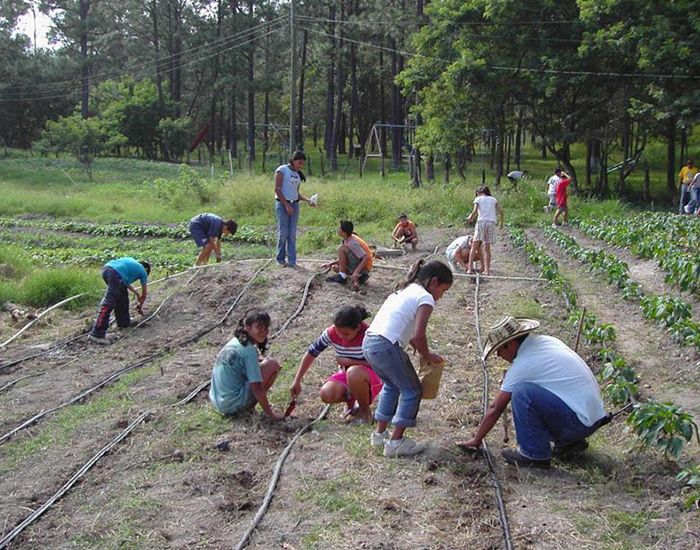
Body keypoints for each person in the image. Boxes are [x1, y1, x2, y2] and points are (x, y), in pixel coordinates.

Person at [457, 316, 608, 469]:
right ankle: (568, 442)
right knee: (536, 392)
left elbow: (496, 407)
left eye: (500, 349)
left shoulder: (524, 364)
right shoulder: (546, 341)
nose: (498, 355)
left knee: (523, 393)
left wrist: (476, 440)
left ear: (511, 344)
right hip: (592, 417)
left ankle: (534, 454)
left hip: (578, 422)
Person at [363, 260, 453, 457]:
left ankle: (379, 435)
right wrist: (427, 355)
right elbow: (418, 336)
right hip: (386, 346)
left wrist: (421, 350)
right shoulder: (425, 298)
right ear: (434, 282)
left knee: (391, 386)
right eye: (443, 291)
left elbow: (409, 334)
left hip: (369, 343)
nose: (440, 297)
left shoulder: (403, 291)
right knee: (412, 390)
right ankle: (396, 442)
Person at [290, 305, 382, 424]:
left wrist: (347, 362)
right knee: (327, 394)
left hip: (369, 376)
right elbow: (311, 353)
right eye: (339, 333)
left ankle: (365, 412)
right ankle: (352, 401)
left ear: (358, 328)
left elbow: (380, 363)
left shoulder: (369, 335)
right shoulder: (331, 332)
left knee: (353, 372)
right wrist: (297, 380)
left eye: (346, 334)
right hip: (348, 374)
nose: (341, 337)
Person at [209, 309, 284, 420]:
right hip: (233, 404)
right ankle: (247, 409)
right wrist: (270, 414)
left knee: (264, 363)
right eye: (259, 327)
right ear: (247, 327)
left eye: (266, 327)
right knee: (271, 365)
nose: (265, 331)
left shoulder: (235, 342)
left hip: (219, 403)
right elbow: (257, 387)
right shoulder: (248, 351)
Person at [89, 257, 150, 345]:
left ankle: (124, 322)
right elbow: (144, 295)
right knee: (109, 303)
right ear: (146, 269)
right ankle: (97, 333)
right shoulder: (143, 271)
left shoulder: (131, 262)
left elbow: (125, 282)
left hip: (107, 270)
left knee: (122, 297)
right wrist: (140, 306)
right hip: (115, 274)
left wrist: (136, 294)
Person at [275, 151, 315, 267]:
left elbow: (296, 193)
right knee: (283, 232)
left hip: (294, 205)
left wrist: (308, 200)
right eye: (299, 163)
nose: (301, 166)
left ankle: (292, 261)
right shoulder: (282, 170)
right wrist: (286, 205)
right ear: (293, 160)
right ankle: (280, 259)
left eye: (303, 164)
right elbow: (277, 189)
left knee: (292, 234)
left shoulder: (297, 175)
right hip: (282, 205)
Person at [324, 220, 373, 291]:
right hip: (358, 263)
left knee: (341, 249)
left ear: (344, 232)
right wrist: (331, 263)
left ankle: (343, 277)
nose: (338, 229)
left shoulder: (352, 243)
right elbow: (346, 257)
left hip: (365, 268)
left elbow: (365, 257)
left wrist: (356, 272)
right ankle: (356, 278)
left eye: (339, 228)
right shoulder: (347, 239)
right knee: (335, 267)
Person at [466, 186, 503, 276]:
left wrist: (470, 218)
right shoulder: (493, 199)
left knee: (474, 246)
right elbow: (501, 211)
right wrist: (501, 222)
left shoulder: (478, 199)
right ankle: (487, 270)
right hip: (491, 223)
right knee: (487, 247)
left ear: (479, 193)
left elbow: (475, 211)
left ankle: (470, 269)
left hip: (481, 222)